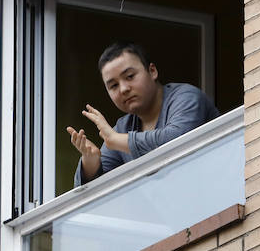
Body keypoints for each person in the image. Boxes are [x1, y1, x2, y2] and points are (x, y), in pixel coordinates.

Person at [68, 41, 219, 185]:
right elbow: (95, 193)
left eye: (130, 77)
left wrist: (117, 140)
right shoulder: (122, 128)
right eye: (114, 85)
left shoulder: (186, 96)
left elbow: (177, 140)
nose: (124, 89)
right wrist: (90, 163)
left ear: (152, 71)